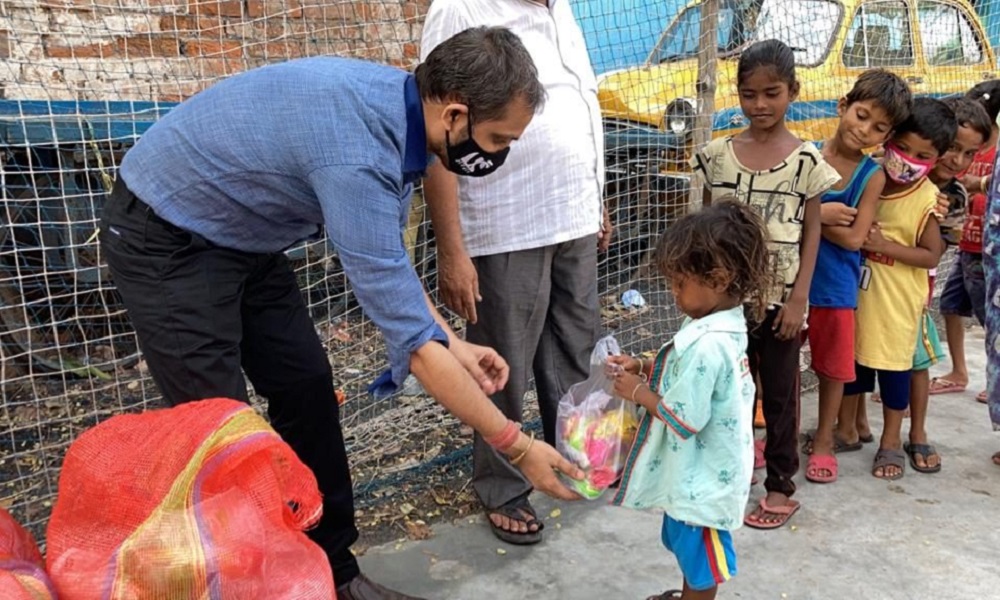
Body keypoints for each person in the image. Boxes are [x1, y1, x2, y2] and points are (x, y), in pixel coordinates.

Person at [99, 27, 585, 600]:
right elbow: (415, 350)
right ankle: (247, 585)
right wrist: (518, 446)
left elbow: (389, 270)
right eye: (499, 138)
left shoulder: (402, 111)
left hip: (246, 236)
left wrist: (454, 341)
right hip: (166, 235)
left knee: (306, 388)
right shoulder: (357, 158)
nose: (500, 153)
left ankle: (335, 572)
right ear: (455, 113)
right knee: (220, 430)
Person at [420, 0, 608, 544]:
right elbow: (439, 135)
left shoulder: (564, 10)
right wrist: (453, 250)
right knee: (502, 364)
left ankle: (575, 462)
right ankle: (503, 486)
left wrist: (596, 197)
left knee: (576, 349)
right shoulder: (462, 9)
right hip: (505, 225)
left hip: (572, 213)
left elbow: (580, 105)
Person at [691, 39, 840, 528]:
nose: (759, 105)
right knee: (726, 391)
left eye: (771, 93)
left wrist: (799, 298)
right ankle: (726, 472)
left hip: (780, 301)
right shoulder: (718, 155)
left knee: (779, 395)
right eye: (749, 94)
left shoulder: (806, 162)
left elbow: (813, 231)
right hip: (725, 302)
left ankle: (780, 485)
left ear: (793, 91)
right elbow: (707, 224)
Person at [607, 200, 771, 600]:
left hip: (705, 478)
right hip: (701, 472)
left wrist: (637, 393)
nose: (673, 293)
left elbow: (684, 418)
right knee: (688, 548)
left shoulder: (709, 343)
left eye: (679, 284)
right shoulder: (717, 323)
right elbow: (682, 370)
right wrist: (645, 365)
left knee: (701, 563)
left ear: (717, 278)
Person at [802, 69, 910, 484]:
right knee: (775, 365)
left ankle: (825, 441)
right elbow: (779, 212)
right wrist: (821, 214)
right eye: (861, 115)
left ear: (887, 137)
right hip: (792, 283)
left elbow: (853, 240)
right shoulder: (805, 155)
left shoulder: (872, 176)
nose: (864, 130)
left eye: (879, 128)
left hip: (835, 288)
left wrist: (807, 215)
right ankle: (776, 433)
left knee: (832, 369)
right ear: (843, 106)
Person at [841, 97, 951, 481]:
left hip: (897, 308)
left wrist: (884, 247)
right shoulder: (867, 177)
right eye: (902, 147)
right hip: (858, 299)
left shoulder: (924, 199)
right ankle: (849, 429)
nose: (906, 158)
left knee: (894, 374)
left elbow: (931, 253)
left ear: (935, 160)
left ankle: (891, 441)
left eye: (921, 155)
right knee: (853, 366)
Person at [932, 81, 1000, 402]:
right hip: (968, 247)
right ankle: (959, 371)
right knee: (949, 304)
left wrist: (981, 185)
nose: (961, 158)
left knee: (991, 319)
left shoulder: (992, 156)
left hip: (987, 250)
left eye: (970, 151)